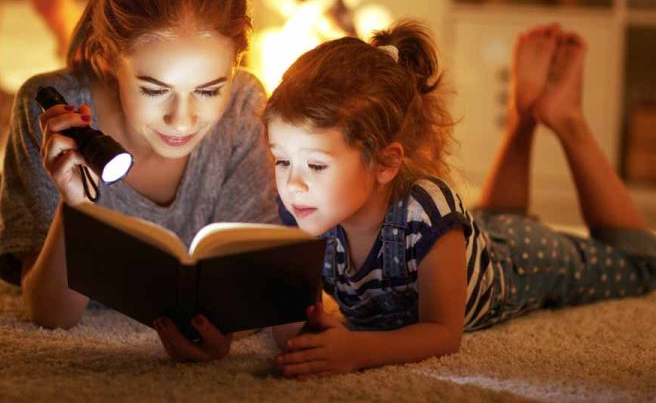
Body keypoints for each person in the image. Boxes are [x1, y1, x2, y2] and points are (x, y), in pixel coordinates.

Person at [264, 21, 656, 377]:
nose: (293, 184)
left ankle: (564, 116)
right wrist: (306, 337)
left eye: (315, 166)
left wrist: (357, 349)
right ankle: (522, 116)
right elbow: (289, 316)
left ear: (384, 163)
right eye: (282, 160)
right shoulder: (302, 210)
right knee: (490, 222)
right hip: (470, 240)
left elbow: (442, 333)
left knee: (642, 266)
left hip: (518, 263)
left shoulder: (427, 210)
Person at [0, 0, 280, 362]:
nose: (182, 121)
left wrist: (227, 333)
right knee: (68, 88)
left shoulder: (244, 104)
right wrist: (75, 206)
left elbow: (250, 285)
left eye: (209, 89)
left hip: (105, 71)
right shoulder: (48, 106)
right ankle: (60, 14)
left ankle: (73, 29)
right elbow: (52, 316)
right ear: (107, 57)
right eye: (155, 89)